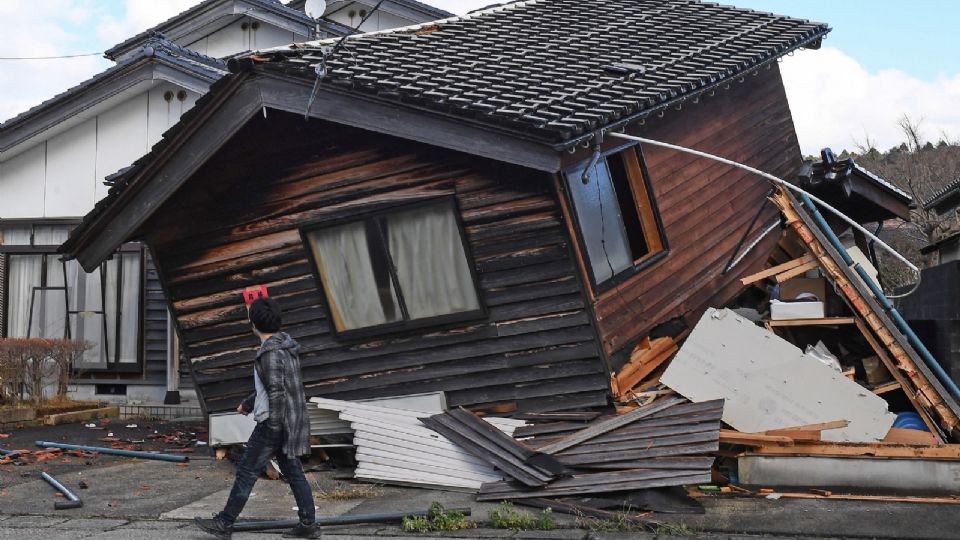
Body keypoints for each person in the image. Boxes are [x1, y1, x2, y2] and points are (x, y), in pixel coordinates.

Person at [194, 297, 319, 539]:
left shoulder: (269, 353)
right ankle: (308, 524)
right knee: (293, 473)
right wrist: (248, 404)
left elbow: (277, 391)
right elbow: (273, 386)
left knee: (247, 471)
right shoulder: (286, 347)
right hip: (289, 420)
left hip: (274, 422)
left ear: (254, 324)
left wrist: (272, 425)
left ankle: (225, 523)